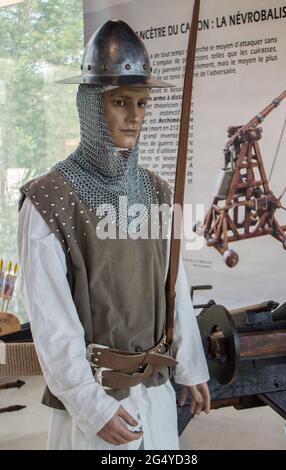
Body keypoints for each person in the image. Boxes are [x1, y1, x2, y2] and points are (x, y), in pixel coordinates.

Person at [18, 19, 210, 450]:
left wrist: (191, 368)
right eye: (121, 102)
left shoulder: (156, 190)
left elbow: (173, 284)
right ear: (90, 105)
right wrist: (92, 407)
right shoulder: (50, 200)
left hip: (155, 393)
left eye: (142, 103)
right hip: (97, 406)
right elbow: (52, 322)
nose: (135, 117)